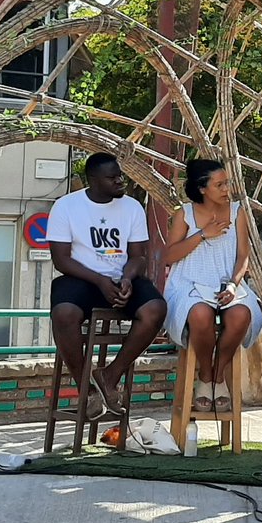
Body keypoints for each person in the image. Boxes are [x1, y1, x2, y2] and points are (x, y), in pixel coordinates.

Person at [46, 152, 168, 417]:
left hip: (119, 277)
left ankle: (109, 376)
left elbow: (138, 257)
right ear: (93, 180)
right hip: (81, 278)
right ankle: (86, 390)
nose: (120, 181)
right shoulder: (66, 207)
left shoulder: (132, 207)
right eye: (112, 178)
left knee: (155, 309)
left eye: (119, 176)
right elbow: (61, 259)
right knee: (64, 313)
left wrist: (126, 278)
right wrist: (100, 280)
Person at [163, 158, 262, 412]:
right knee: (199, 313)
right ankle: (206, 377)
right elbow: (168, 256)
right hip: (189, 283)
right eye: (219, 184)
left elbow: (243, 255)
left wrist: (232, 285)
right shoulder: (183, 214)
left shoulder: (238, 211)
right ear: (202, 188)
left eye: (227, 183)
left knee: (242, 314)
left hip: (226, 282)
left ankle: (219, 375)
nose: (226, 189)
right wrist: (202, 234)